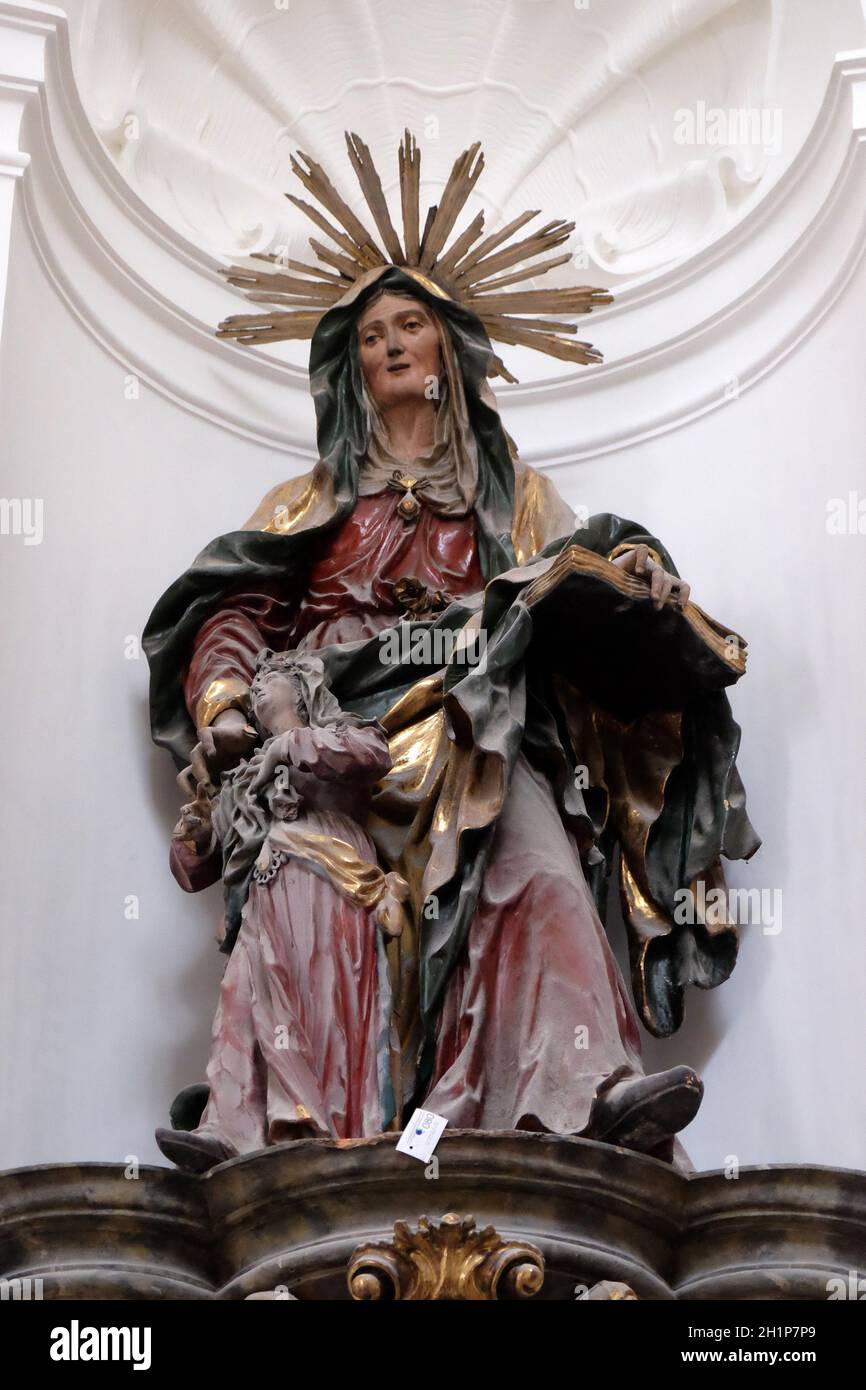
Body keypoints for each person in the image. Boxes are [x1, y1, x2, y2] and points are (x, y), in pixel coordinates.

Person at [144, 263, 759, 1168]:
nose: (390, 344)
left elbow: (574, 568)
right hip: (334, 732)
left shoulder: (514, 493)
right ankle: (265, 1122)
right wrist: (228, 704)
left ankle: (584, 1090)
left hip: (478, 721)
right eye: (369, 335)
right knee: (303, 897)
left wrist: (635, 563)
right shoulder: (307, 503)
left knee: (541, 870)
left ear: (449, 350)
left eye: (409, 325)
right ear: (350, 369)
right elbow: (233, 613)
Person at [157, 648, 409, 1172]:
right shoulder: (246, 776)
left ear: (299, 689)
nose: (257, 691)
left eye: (268, 680)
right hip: (261, 896)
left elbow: (372, 754)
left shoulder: (336, 733)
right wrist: (197, 835)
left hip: (324, 876)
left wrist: (289, 747)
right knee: (240, 1002)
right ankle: (229, 1130)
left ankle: (318, 1122)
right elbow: (199, 866)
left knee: (313, 989)